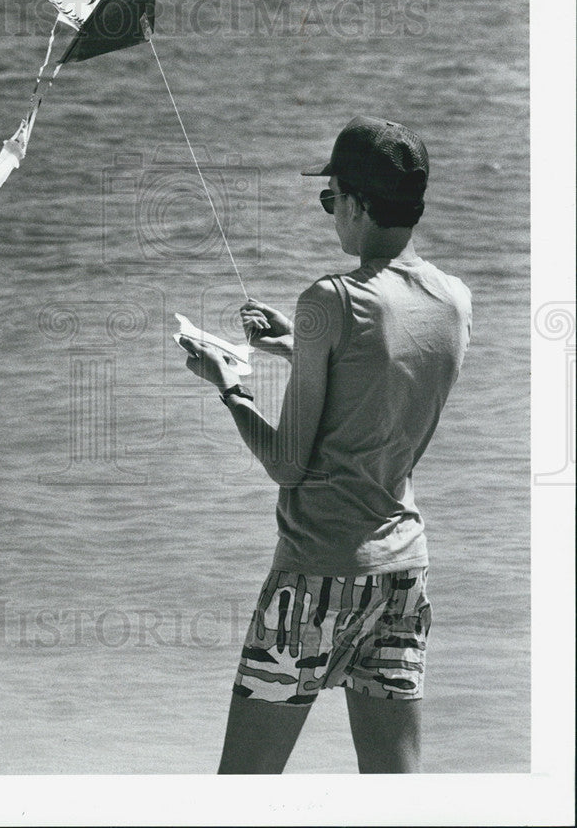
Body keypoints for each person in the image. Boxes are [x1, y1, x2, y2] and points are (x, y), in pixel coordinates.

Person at [179, 115, 472, 774]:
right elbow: (381, 386)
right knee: (393, 797)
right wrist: (296, 345)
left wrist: (229, 388)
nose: (329, 211)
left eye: (330, 197)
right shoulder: (455, 301)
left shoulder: (329, 300)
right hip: (402, 578)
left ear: (360, 205)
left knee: (242, 792)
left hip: (313, 581)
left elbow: (288, 465)